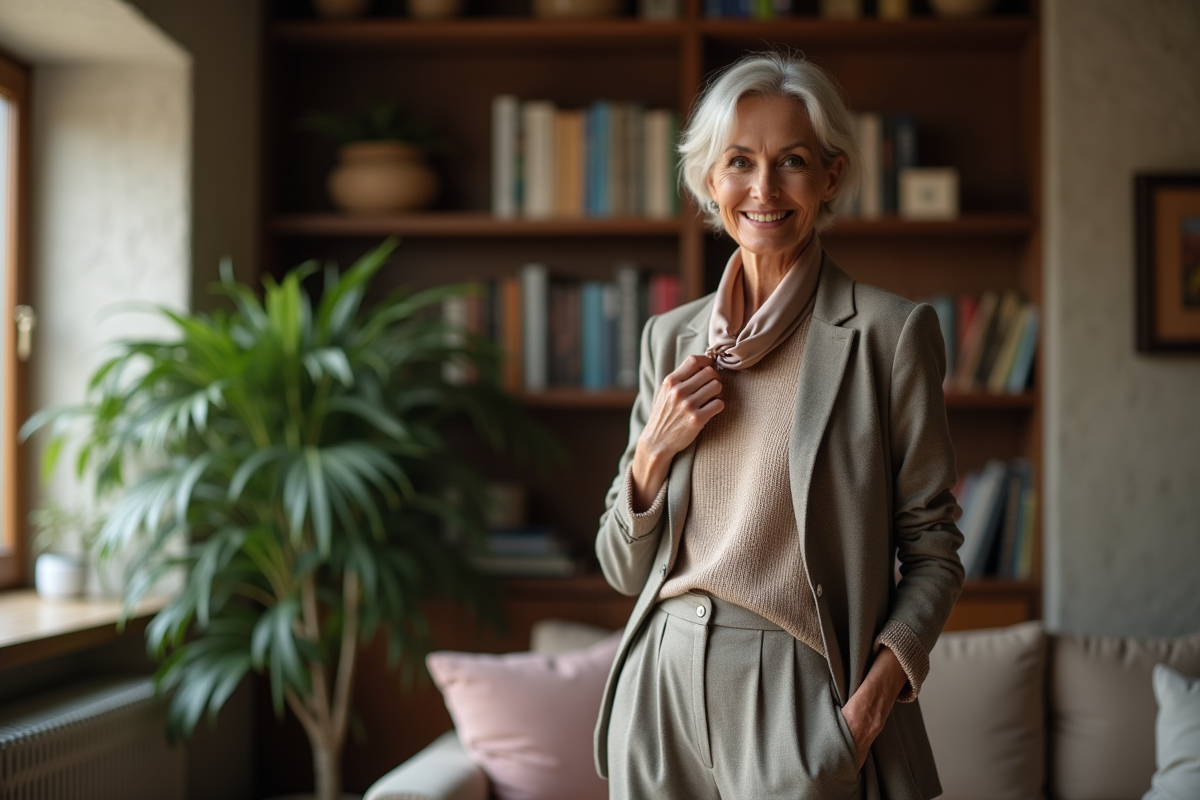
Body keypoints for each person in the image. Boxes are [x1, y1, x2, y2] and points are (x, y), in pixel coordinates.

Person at [592, 52, 965, 800]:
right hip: (660, 692)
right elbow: (620, 566)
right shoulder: (670, 338)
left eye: (790, 161)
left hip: (797, 698)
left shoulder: (888, 336)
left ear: (830, 177)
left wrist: (867, 709)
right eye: (739, 162)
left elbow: (934, 554)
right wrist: (652, 453)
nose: (762, 189)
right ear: (709, 179)